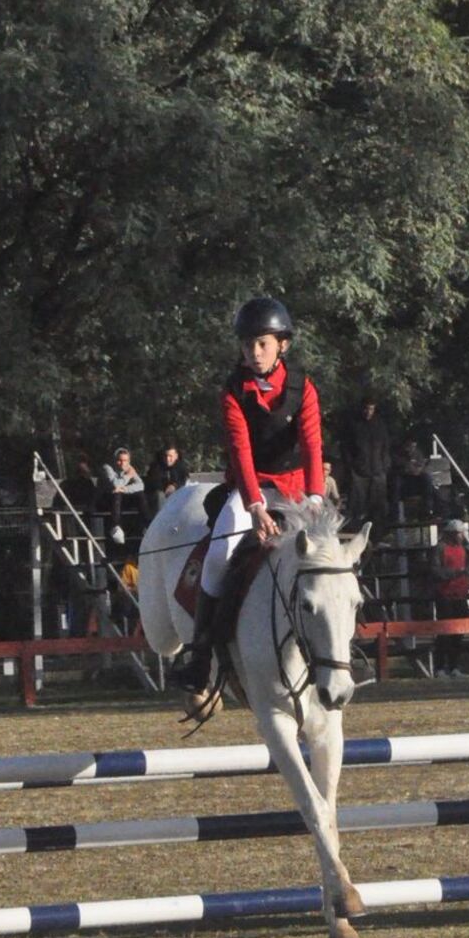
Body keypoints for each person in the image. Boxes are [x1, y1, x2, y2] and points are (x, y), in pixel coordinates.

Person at [178, 297, 326, 713]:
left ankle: (337, 649)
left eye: (262, 344)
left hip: (298, 489)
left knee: (329, 553)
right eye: (247, 345)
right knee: (219, 554)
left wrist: (316, 497)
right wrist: (256, 506)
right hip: (253, 488)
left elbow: (313, 444)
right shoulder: (232, 391)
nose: (254, 353)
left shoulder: (304, 387)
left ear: (283, 345)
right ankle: (200, 656)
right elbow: (240, 451)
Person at [338, 395, 392, 529]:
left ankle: (378, 535)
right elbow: (345, 447)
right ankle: (354, 532)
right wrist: (351, 466)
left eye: (371, 409)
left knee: (378, 508)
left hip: (378, 471)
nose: (368, 412)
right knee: (357, 506)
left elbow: (386, 446)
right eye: (366, 409)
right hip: (359, 472)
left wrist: (385, 464)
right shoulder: (353, 425)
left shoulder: (380, 425)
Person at [431, 518, 469, 678]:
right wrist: (456, 573)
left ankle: (455, 665)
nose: (462, 536)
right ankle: (440, 667)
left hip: (460, 595)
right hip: (445, 595)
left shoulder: (464, 549)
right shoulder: (440, 548)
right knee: (445, 633)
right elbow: (436, 572)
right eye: (459, 533)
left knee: (458, 633)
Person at [99, 446, 145, 543]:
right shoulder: (107, 468)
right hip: (106, 500)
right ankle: (116, 527)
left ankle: (146, 525)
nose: (122, 464)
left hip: (120, 499)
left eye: (125, 461)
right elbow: (115, 484)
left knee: (140, 495)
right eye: (120, 460)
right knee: (117, 494)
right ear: (115, 460)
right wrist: (128, 476)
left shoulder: (129, 468)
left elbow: (140, 485)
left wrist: (125, 489)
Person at [145, 446, 191, 515]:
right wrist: (165, 488)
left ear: (176, 456)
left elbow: (183, 480)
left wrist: (174, 486)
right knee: (159, 495)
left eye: (170, 456)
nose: (167, 459)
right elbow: (153, 481)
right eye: (165, 456)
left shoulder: (181, 466)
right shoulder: (156, 467)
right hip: (158, 493)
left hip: (176, 492)